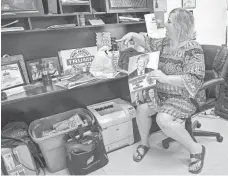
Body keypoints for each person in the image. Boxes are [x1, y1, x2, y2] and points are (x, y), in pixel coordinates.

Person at [117, 8, 206, 174]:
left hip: (185, 96)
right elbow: (146, 41)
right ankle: (145, 143)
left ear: (180, 26)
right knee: (142, 107)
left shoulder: (193, 49)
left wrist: (166, 78)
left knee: (163, 119)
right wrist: (132, 35)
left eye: (170, 21)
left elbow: (194, 79)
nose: (165, 24)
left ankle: (196, 149)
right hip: (162, 94)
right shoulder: (165, 42)